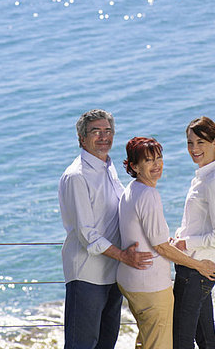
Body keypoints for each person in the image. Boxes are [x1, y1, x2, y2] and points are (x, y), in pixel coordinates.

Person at [58, 109, 153, 349]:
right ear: (82, 139)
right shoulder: (76, 176)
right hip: (87, 276)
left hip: (113, 275)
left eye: (108, 131)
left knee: (106, 343)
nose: (103, 137)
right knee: (81, 345)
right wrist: (123, 255)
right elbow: (86, 233)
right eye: (96, 132)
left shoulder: (108, 167)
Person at [117, 137, 215, 349]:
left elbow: (151, 239)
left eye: (159, 158)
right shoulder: (148, 194)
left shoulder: (131, 189)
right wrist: (200, 266)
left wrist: (168, 243)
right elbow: (160, 247)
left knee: (146, 339)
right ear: (134, 166)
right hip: (150, 286)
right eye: (148, 161)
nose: (156, 165)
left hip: (131, 281)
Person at [172, 116, 215, 349]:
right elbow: (198, 222)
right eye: (190, 143)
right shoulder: (204, 176)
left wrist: (186, 243)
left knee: (180, 341)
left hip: (197, 271)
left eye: (201, 142)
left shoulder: (214, 181)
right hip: (194, 267)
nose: (194, 149)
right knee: (206, 340)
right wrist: (180, 236)